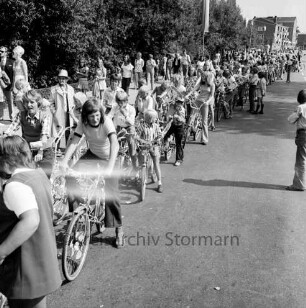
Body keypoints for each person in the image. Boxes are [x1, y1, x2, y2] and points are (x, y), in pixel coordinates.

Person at [0, 135, 61, 308]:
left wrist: (1, 252)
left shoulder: (15, 185)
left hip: (25, 268)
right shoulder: (38, 175)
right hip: (41, 261)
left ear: (6, 160)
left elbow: (31, 221)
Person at [60, 97, 124, 247]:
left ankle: (119, 229)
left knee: (111, 194)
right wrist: (64, 162)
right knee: (70, 176)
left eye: (97, 115)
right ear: (85, 117)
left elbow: (114, 144)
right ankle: (79, 214)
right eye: (91, 116)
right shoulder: (83, 123)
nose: (95, 119)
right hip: (93, 155)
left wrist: (109, 168)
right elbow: (75, 141)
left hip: (110, 159)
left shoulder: (106, 121)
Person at [4, 90, 53, 176]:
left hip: (44, 150)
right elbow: (10, 129)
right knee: (27, 176)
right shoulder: (21, 115)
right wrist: (4, 137)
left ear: (38, 103)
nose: (29, 105)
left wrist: (40, 151)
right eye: (26, 102)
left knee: (44, 176)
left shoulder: (45, 115)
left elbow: (44, 137)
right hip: (27, 150)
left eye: (32, 102)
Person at [185, 69, 215, 145]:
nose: (202, 78)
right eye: (202, 76)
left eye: (204, 76)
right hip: (198, 100)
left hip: (205, 103)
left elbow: (211, 96)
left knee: (204, 121)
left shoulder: (212, 85)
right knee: (191, 117)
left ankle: (204, 139)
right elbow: (194, 89)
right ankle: (188, 133)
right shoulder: (201, 83)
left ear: (208, 77)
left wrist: (207, 102)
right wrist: (187, 95)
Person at [136, 109, 163, 192]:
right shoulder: (141, 126)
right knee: (141, 163)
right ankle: (141, 177)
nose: (156, 119)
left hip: (153, 146)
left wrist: (158, 139)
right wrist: (141, 141)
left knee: (156, 163)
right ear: (149, 118)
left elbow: (159, 135)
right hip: (144, 146)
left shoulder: (156, 126)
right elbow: (137, 136)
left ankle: (159, 183)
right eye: (154, 118)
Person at [49, 69, 75, 149]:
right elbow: (51, 103)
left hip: (69, 113)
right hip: (59, 113)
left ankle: (68, 147)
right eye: (60, 78)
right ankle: (57, 148)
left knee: (69, 130)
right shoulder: (54, 89)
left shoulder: (71, 89)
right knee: (58, 131)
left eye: (64, 78)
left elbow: (74, 101)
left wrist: (72, 109)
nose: (62, 80)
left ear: (67, 79)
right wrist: (54, 112)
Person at [286, 90, 306, 191]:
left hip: (303, 134)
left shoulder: (301, 107)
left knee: (301, 160)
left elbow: (290, 119)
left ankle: (299, 185)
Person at [112, 91, 137, 170]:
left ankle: (135, 167)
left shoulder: (131, 109)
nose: (120, 104)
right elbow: (110, 116)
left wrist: (125, 114)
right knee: (114, 145)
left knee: (131, 146)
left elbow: (131, 122)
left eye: (123, 102)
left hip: (129, 127)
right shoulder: (115, 107)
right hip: (119, 128)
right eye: (118, 102)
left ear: (126, 101)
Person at [163, 98, 186, 166]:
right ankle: (166, 147)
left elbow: (183, 120)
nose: (179, 103)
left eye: (180, 102)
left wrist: (178, 117)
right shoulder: (172, 107)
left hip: (179, 126)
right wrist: (169, 117)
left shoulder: (182, 110)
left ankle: (179, 159)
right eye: (178, 102)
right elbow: (168, 114)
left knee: (178, 143)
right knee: (165, 136)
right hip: (172, 125)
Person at [0, 47, 14, 120]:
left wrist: (13, 85)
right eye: (0, 51)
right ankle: (1, 116)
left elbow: (13, 75)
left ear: (6, 53)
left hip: (8, 85)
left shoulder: (11, 62)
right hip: (0, 85)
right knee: (0, 101)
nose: (0, 52)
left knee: (10, 101)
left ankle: (11, 117)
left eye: (2, 51)